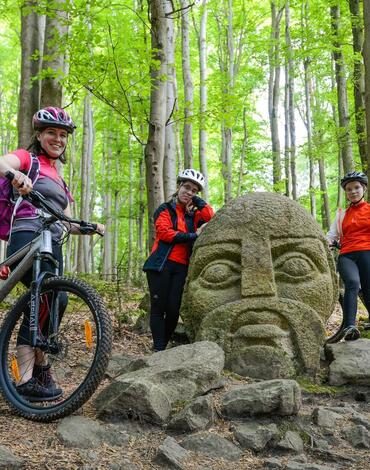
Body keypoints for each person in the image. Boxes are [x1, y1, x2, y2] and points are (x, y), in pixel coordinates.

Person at [0, 106, 104, 401]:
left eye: (62, 135)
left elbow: (66, 221)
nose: (58, 139)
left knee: (55, 297)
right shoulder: (28, 159)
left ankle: (37, 368)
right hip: (26, 236)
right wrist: (16, 175)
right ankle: (30, 374)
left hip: (52, 242)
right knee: (43, 292)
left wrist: (89, 226)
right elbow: (2, 162)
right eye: (51, 133)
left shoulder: (59, 177)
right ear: (39, 135)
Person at [143, 169, 214, 352]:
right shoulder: (164, 209)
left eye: (194, 190)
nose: (189, 192)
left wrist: (197, 201)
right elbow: (165, 233)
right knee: (159, 308)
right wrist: (193, 235)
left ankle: (161, 346)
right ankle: (159, 349)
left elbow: (210, 217)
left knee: (174, 311)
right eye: (187, 187)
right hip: (160, 264)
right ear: (179, 186)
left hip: (182, 267)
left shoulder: (193, 215)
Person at [327, 171, 370, 341]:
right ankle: (350, 326)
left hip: (367, 252)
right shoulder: (341, 214)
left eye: (357, 188)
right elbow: (331, 235)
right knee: (351, 283)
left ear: (364, 189)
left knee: (367, 290)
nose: (353, 191)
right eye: (349, 189)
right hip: (347, 255)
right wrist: (325, 244)